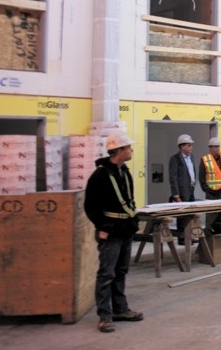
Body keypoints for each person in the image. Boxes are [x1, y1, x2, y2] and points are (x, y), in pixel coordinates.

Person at [84, 131, 144, 333]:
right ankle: (105, 315)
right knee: (106, 274)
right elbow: (90, 206)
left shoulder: (124, 171)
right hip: (110, 232)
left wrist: (133, 222)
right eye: (128, 147)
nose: (131, 150)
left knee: (121, 271)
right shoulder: (100, 175)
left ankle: (120, 309)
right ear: (119, 150)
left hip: (125, 229)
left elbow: (128, 199)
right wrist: (102, 227)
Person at [199, 137, 221, 233]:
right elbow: (202, 178)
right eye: (215, 147)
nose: (217, 149)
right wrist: (207, 189)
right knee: (211, 216)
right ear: (210, 148)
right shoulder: (205, 159)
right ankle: (209, 235)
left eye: (218, 147)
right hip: (212, 193)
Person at [169, 134, 196, 245]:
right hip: (181, 191)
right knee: (182, 216)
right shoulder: (175, 159)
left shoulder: (191, 157)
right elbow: (173, 177)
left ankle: (189, 236)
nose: (191, 147)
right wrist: (176, 195)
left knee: (190, 214)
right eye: (189, 145)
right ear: (182, 146)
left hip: (190, 189)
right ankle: (181, 238)